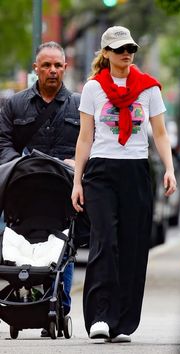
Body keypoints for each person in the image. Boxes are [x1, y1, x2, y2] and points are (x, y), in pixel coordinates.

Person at [71, 25, 176, 343]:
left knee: (132, 244)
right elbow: (85, 137)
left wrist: (169, 169)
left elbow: (159, 133)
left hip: (136, 171)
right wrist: (77, 180)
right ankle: (101, 315)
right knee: (106, 241)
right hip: (101, 172)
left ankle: (123, 321)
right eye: (118, 49)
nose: (126, 53)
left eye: (129, 47)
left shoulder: (148, 88)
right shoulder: (93, 88)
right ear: (106, 54)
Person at [0, 41, 81, 336]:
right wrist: (17, 166)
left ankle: (60, 305)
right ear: (36, 68)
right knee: (16, 239)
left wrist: (78, 163)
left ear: (65, 68)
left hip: (64, 190)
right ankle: (21, 299)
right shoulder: (15, 104)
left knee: (64, 245)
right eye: (46, 65)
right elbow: (3, 141)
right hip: (24, 187)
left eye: (58, 65)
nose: (52, 71)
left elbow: (92, 143)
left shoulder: (79, 105)